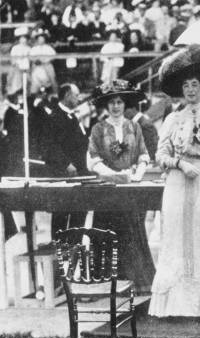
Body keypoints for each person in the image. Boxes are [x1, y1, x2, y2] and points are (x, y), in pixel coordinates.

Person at [150, 44, 200, 317]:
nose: (191, 90)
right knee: (176, 238)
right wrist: (180, 163)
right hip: (177, 181)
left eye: (195, 85)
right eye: (186, 86)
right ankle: (175, 304)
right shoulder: (173, 119)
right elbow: (160, 155)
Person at [87, 79, 153, 293]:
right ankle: (106, 284)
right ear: (106, 106)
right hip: (107, 190)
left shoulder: (135, 127)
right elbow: (93, 160)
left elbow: (144, 155)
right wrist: (113, 175)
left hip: (130, 189)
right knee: (107, 232)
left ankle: (137, 283)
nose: (116, 106)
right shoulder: (98, 129)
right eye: (112, 102)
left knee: (131, 232)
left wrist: (136, 175)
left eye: (119, 102)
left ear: (125, 104)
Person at [44, 83, 89, 236]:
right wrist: (66, 164)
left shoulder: (73, 116)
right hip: (63, 174)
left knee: (79, 215)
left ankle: (75, 251)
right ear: (67, 95)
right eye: (76, 95)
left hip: (79, 175)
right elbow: (50, 146)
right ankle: (59, 253)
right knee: (61, 216)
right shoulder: (54, 116)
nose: (79, 98)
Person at [29, 29, 58, 95]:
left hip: (47, 65)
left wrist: (47, 61)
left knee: (51, 77)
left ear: (45, 39)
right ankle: (35, 92)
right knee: (35, 76)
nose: (41, 40)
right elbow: (31, 57)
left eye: (42, 39)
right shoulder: (34, 49)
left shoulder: (48, 48)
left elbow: (53, 56)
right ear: (37, 39)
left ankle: (54, 92)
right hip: (37, 66)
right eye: (39, 39)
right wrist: (36, 60)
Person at [7, 27, 30, 96]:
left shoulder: (29, 48)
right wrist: (17, 65)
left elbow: (30, 60)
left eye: (25, 38)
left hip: (27, 68)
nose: (23, 40)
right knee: (15, 77)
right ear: (19, 39)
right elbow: (13, 60)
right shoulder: (15, 48)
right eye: (21, 38)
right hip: (17, 68)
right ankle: (14, 93)